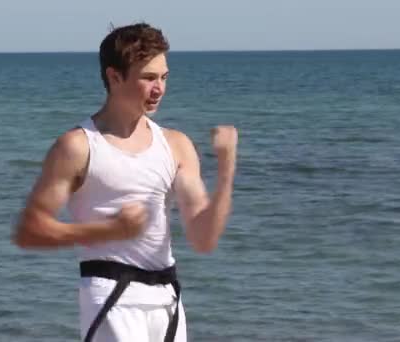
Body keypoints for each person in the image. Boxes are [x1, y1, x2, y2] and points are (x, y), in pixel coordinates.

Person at [12, 22, 237, 342]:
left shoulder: (176, 145)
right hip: (112, 298)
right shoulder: (78, 146)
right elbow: (30, 230)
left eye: (164, 77)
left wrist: (227, 169)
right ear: (114, 77)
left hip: (168, 302)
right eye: (147, 78)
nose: (159, 88)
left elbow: (203, 238)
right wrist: (106, 231)